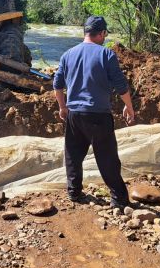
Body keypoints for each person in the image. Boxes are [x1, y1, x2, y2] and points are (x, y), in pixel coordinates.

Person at [53, 16, 136, 208]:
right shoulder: (106, 54)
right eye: (105, 34)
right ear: (102, 33)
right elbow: (121, 86)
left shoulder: (68, 54)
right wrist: (129, 107)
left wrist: (62, 107)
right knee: (107, 157)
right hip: (98, 115)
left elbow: (57, 86)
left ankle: (74, 192)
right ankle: (119, 199)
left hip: (75, 114)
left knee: (73, 155)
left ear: (85, 32)